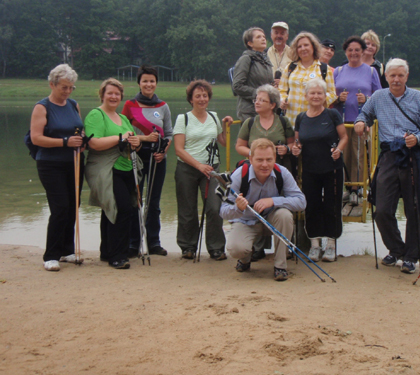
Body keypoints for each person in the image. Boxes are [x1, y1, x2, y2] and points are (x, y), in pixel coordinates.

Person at [355, 58, 420, 274]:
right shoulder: (378, 97)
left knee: (414, 208)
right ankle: (397, 249)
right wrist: (360, 123)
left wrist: (418, 139)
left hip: (413, 155)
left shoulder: (419, 98)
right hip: (389, 155)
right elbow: (364, 114)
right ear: (386, 77)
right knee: (381, 208)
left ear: (406, 77)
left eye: (400, 75)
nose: (396, 79)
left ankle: (411, 256)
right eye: (392, 75)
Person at [221, 138, 307, 281]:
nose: (265, 165)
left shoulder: (282, 173)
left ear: (275, 158)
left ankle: (280, 266)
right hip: (246, 221)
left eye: (269, 159)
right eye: (260, 160)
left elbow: (301, 202)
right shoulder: (238, 175)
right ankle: (244, 259)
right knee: (236, 249)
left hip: (271, 220)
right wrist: (238, 208)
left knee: (285, 215)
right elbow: (223, 211)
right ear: (250, 158)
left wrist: (273, 201)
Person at [30, 64, 84, 272]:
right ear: (52, 85)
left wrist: (81, 141)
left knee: (73, 207)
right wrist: (64, 142)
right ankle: (51, 255)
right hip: (50, 164)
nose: (68, 91)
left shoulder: (73, 105)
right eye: (64, 87)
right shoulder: (42, 107)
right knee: (60, 207)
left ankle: (67, 250)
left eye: (71, 87)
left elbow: (78, 130)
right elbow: (36, 138)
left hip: (75, 162)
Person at [173, 80, 233, 260]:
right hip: (187, 169)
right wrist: (198, 165)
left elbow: (222, 141)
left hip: (212, 170)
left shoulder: (214, 116)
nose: (201, 99)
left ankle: (216, 247)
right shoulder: (182, 119)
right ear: (190, 99)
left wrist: (225, 126)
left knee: (215, 208)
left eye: (205, 95)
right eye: (197, 96)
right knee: (188, 209)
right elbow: (178, 149)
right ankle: (188, 246)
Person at [85, 78, 141, 270]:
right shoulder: (96, 115)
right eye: (110, 93)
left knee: (111, 208)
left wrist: (136, 143)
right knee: (122, 208)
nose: (114, 97)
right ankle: (118, 255)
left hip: (126, 168)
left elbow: (132, 138)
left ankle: (107, 251)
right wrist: (120, 138)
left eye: (117, 94)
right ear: (102, 94)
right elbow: (94, 143)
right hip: (106, 169)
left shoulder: (123, 118)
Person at [236, 84, 295, 261]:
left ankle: (283, 251)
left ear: (273, 104)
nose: (257, 103)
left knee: (280, 209)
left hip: (278, 174)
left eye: (262, 100)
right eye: (256, 100)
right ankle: (257, 249)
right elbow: (239, 146)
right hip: (254, 174)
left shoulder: (283, 122)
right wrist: (256, 156)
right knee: (256, 205)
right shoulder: (250, 122)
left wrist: (286, 149)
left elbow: (293, 145)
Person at [291, 78, 348, 262]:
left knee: (332, 205)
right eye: (312, 93)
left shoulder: (332, 115)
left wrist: (339, 150)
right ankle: (315, 246)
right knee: (312, 206)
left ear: (325, 96)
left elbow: (344, 137)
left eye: (319, 93)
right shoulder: (301, 117)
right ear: (306, 96)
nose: (316, 96)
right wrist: (296, 148)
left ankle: (331, 244)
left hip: (332, 168)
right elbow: (298, 141)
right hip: (309, 169)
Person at [121, 64, 173, 257]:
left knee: (154, 202)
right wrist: (143, 139)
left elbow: (168, 134)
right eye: (145, 81)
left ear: (156, 83)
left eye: (152, 81)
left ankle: (154, 242)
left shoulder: (163, 106)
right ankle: (134, 243)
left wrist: (163, 152)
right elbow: (125, 132)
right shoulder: (130, 105)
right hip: (136, 157)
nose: (148, 84)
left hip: (158, 158)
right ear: (139, 83)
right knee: (136, 201)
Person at [332, 36, 382, 205]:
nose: (353, 53)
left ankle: (357, 189)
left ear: (362, 52)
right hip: (342, 121)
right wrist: (339, 98)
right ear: (345, 52)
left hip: (361, 122)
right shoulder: (338, 71)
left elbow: (379, 96)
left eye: (357, 50)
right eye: (350, 50)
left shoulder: (370, 71)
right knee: (344, 155)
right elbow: (330, 96)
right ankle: (346, 188)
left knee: (359, 154)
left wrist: (366, 99)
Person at [279, 31, 337, 125]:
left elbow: (332, 93)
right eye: (299, 46)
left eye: (306, 45)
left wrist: (319, 101)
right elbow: (281, 90)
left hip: (314, 121)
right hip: (291, 121)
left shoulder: (324, 69)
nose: (303, 48)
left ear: (313, 47)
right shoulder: (290, 68)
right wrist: (283, 100)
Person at [232, 27, 274, 121]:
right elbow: (237, 86)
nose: (263, 39)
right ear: (250, 43)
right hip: (249, 112)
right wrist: (259, 94)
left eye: (264, 36)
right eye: (258, 37)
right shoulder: (246, 59)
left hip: (266, 111)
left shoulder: (266, 60)